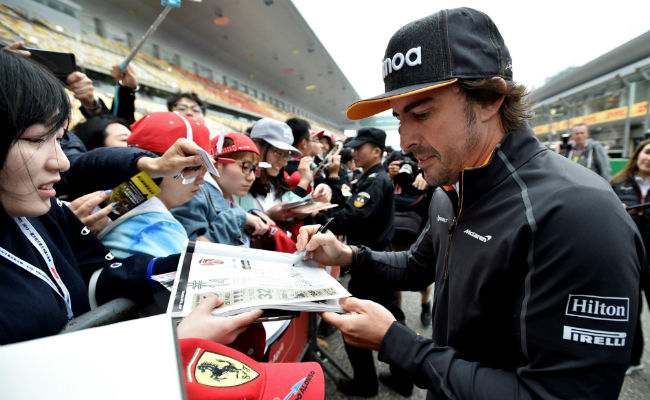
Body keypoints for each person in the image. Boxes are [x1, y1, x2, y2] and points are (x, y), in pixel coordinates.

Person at [297, 8, 643, 399]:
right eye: (399, 118)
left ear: (491, 98)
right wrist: (351, 256)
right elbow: (416, 266)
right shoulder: (454, 186)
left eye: (423, 113)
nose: (407, 138)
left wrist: (400, 343)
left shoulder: (580, 213)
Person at [0, 48, 263, 346]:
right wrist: (172, 343)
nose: (61, 162)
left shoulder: (44, 211)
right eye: (37, 139)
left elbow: (97, 278)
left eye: (60, 139)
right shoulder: (48, 203)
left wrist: (170, 267)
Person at [312, 127, 411, 397]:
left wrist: (317, 220)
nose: (354, 153)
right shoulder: (371, 178)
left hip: (370, 260)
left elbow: (353, 217)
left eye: (360, 148)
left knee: (352, 321)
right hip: (376, 257)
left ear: (377, 151)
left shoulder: (376, 180)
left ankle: (366, 383)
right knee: (393, 319)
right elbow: (352, 204)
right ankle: (403, 377)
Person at [96, 111, 209, 259]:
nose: (201, 180)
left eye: (205, 169)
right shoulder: (161, 227)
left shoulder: (112, 196)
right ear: (162, 164)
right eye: (193, 168)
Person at [172, 132, 269, 245]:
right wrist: (238, 218)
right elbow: (190, 250)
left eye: (255, 170)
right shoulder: (195, 194)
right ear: (217, 165)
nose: (252, 177)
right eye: (246, 167)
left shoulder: (227, 197)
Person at [610, 139, 650, 375]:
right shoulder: (617, 184)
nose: (649, 158)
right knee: (631, 313)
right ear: (638, 155)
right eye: (646, 152)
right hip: (631, 260)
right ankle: (633, 358)